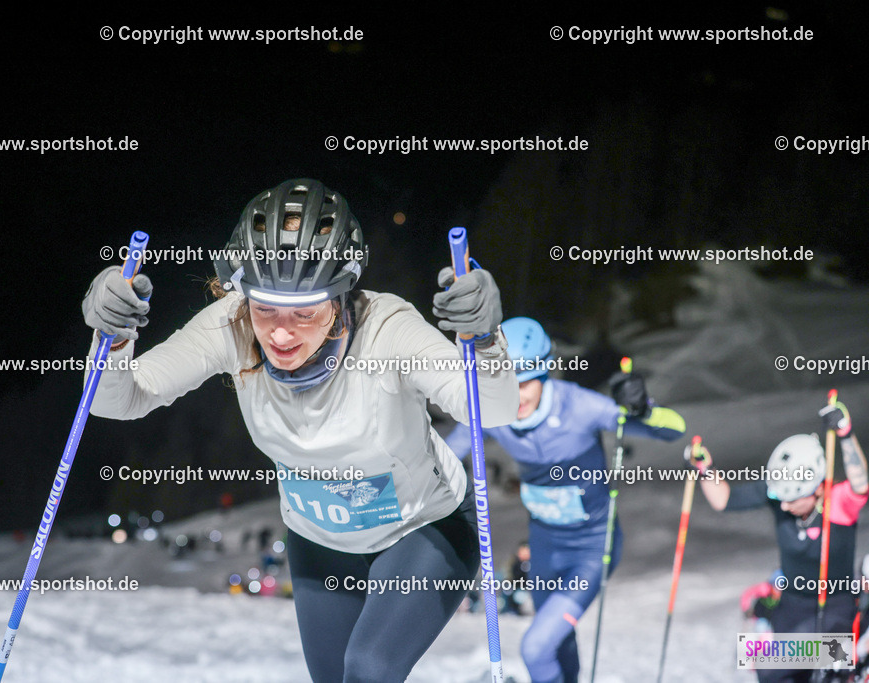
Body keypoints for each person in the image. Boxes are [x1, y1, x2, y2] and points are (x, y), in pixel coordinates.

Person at [80, 178, 518, 682]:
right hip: (319, 537)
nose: (281, 332)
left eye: (304, 312)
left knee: (369, 669)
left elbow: (493, 408)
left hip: (424, 527)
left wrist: (484, 337)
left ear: (338, 296)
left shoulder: (386, 329)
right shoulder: (232, 326)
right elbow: (116, 401)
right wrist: (111, 338)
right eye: (264, 308)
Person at [445, 317, 686, 683]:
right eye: (506, 384)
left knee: (535, 647)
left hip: (591, 552)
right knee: (556, 643)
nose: (516, 397)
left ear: (545, 372)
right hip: (544, 549)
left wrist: (643, 407)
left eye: (525, 383)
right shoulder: (491, 411)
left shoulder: (580, 408)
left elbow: (674, 430)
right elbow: (443, 457)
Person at [689, 400, 868, 683]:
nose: (784, 506)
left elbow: (861, 484)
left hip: (833, 613)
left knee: (770, 665)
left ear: (818, 487)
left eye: (793, 499)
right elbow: (724, 500)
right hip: (791, 607)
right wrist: (704, 468)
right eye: (781, 498)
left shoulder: (838, 504)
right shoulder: (780, 493)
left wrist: (844, 433)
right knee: (757, 660)